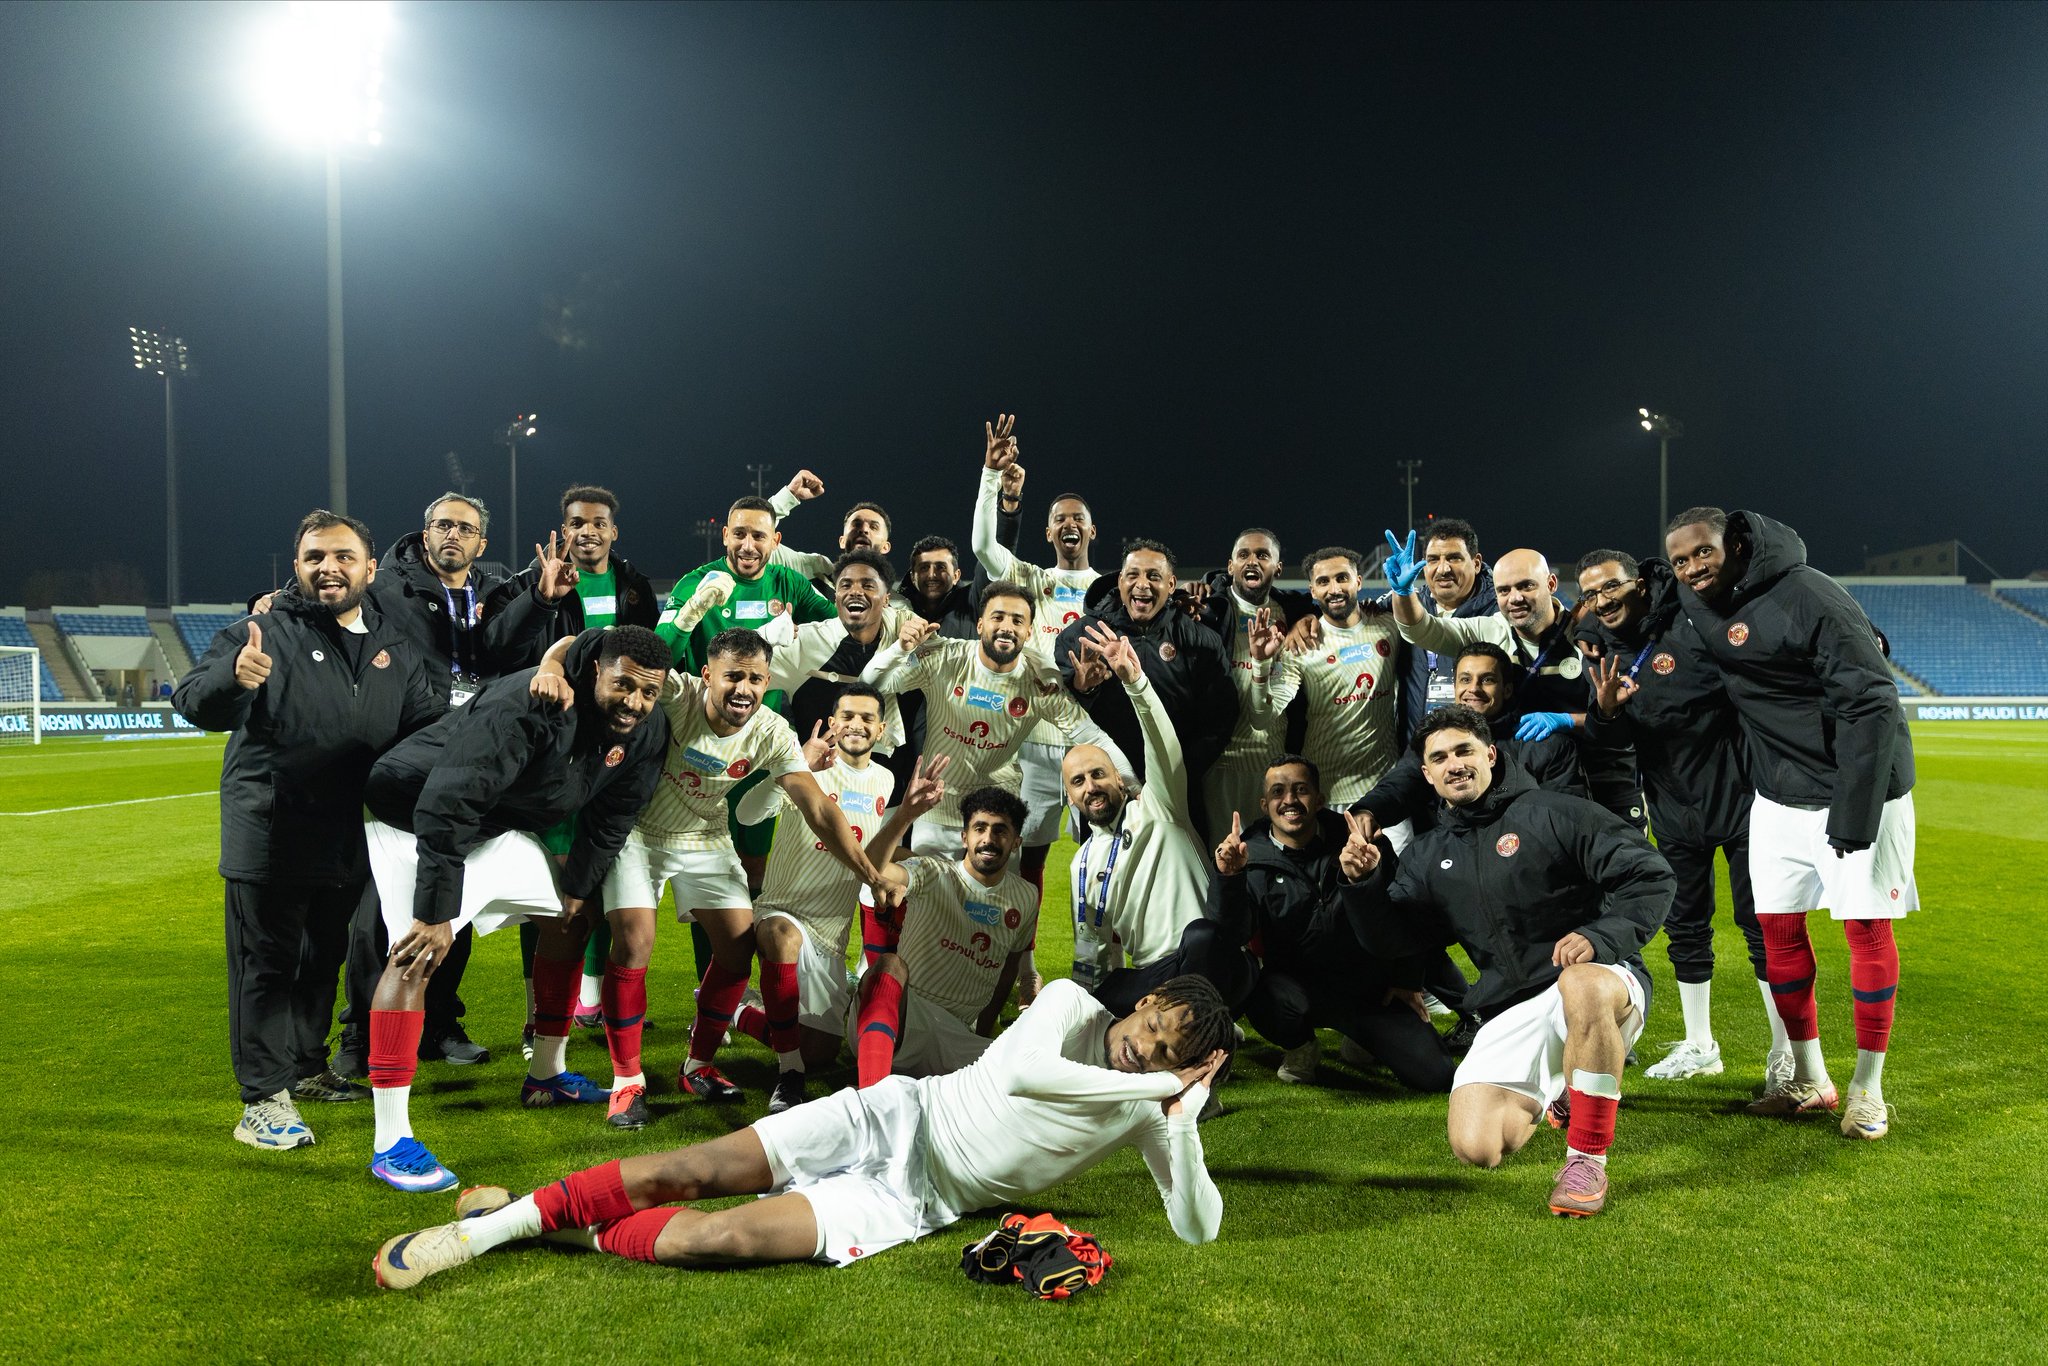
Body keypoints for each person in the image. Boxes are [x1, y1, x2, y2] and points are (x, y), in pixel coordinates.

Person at [372, 975, 1231, 1289]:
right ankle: (480, 1236)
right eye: (1152, 1031)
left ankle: (537, 1216)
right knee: (691, 1170)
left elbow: (1198, 1228)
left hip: (914, 1201)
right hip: (897, 1114)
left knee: (720, 1239)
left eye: (1167, 1057)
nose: (1144, 1053)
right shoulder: (1073, 1004)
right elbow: (1020, 1076)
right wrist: (1163, 1085)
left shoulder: (1147, 1106)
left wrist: (1183, 1123)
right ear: (1148, 1003)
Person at [357, 626, 671, 1193]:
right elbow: (447, 802)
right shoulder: (529, 704)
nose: (635, 702)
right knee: (416, 954)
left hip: (493, 822)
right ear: (595, 671)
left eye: (649, 692)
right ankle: (390, 1142)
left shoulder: (646, 730)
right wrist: (436, 912)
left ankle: (546, 1074)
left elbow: (614, 816)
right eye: (623, 685)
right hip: (415, 813)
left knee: (569, 917)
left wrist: (578, 886)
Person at [174, 511, 444, 1150]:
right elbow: (192, 700)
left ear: (370, 568)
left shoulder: (394, 645)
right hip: (271, 832)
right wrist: (232, 679)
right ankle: (263, 1100)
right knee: (265, 967)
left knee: (323, 958)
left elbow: (425, 726)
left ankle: (304, 1065)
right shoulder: (260, 631)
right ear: (296, 567)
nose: (329, 567)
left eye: (343, 556)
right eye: (315, 557)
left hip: (350, 836)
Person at [1341, 705, 1674, 1218]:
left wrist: (1599, 936)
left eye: (1464, 751)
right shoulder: (1428, 856)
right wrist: (1364, 885)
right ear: (1426, 774)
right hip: (1510, 1005)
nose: (1455, 764)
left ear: (1491, 756)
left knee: (1580, 985)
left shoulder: (1555, 813)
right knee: (1477, 1146)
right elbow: (1396, 942)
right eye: (1440, 758)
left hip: (1601, 982)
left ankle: (1587, 1161)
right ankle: (1569, 1081)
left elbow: (1650, 874)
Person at [563, 627, 885, 1118]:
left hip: (707, 835)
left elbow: (818, 807)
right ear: (707, 675)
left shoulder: (773, 731)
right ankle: (627, 1082)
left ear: (767, 682)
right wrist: (552, 665)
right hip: (641, 831)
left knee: (736, 949)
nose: (744, 689)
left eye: (755, 679)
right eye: (733, 676)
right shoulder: (676, 693)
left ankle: (698, 1066)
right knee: (633, 942)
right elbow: (597, 648)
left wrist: (870, 874)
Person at [1667, 508, 1914, 1139]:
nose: (1692, 568)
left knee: (1865, 933)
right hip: (1777, 794)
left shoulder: (1810, 594)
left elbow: (1873, 702)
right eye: (1679, 560)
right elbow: (1649, 592)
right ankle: (1810, 1079)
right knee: (1776, 933)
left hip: (1854, 793)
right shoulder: (1696, 597)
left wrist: (1853, 815)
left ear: (1736, 544)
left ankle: (1868, 1089)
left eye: (1703, 552)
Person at [315, 493, 573, 1076]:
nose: (453, 534)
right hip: (406, 754)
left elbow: (508, 649)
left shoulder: (501, 590)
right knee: (381, 905)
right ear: (425, 531)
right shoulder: (388, 585)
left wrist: (539, 600)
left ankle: (440, 1024)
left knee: (454, 896)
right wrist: (275, 602)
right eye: (443, 525)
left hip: (477, 754)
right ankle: (358, 1034)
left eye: (465, 528)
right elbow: (330, 592)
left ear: (482, 542)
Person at [1574, 549, 1774, 1083]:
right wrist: (1606, 712)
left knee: (1764, 926)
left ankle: (1788, 1054)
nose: (1602, 601)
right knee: (1685, 927)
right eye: (1591, 594)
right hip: (1672, 805)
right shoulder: (1602, 649)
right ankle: (1700, 1044)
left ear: (1640, 583)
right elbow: (1612, 742)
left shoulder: (1692, 615)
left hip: (1742, 798)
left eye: (1611, 587)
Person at [730, 693, 939, 1109]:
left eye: (867, 718)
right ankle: (789, 1075)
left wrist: (917, 844)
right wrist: (793, 768)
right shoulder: (804, 765)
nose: (857, 724)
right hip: (784, 908)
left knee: (820, 1052)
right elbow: (746, 815)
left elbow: (868, 853)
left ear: (881, 729)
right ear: (832, 722)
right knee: (780, 935)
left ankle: (737, 1010)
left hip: (831, 931)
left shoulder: (884, 780)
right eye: (848, 715)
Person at [1211, 755, 1454, 1093]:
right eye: (1278, 792)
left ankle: (1362, 1039)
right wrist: (1229, 879)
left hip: (1368, 987)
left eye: (1301, 790)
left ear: (1319, 799)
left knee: (1436, 1075)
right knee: (1265, 992)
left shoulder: (1359, 841)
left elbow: (1406, 910)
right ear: (1265, 805)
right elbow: (1231, 936)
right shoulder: (1249, 856)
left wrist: (1406, 979)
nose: (1290, 800)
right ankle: (1300, 1045)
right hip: (1297, 990)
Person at [515, 485, 660, 1040]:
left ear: (613, 531)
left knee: (599, 874)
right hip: (556, 743)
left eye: (598, 522)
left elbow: (651, 657)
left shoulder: (635, 588)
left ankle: (592, 999)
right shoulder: (536, 582)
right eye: (577, 522)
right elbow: (514, 643)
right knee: (544, 890)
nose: (588, 531)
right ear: (564, 528)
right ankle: (536, 1017)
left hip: (614, 748)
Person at [1062, 625, 1257, 1013]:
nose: (1091, 787)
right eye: (1078, 781)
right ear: (1070, 796)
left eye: (1098, 774)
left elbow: (1161, 742)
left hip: (1213, 959)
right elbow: (1092, 948)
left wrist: (1135, 683)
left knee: (1201, 937)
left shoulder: (1160, 805)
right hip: (1157, 975)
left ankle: (1197, 1028)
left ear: (1120, 779)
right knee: (1089, 999)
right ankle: (1183, 1024)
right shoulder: (1081, 864)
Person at [860, 582, 1127, 860]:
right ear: (980, 625)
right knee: (929, 887)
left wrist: (1135, 788)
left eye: (1017, 620)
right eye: (997, 617)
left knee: (995, 889)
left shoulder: (1040, 682)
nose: (1006, 627)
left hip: (998, 813)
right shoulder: (945, 657)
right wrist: (900, 649)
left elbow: (1093, 736)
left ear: (1029, 632)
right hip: (937, 805)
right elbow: (871, 683)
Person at [657, 495, 837, 895]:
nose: (748, 545)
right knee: (697, 862)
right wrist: (691, 612)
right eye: (739, 534)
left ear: (775, 541)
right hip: (697, 739)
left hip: (757, 745)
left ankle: (748, 935)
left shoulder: (788, 583)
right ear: (725, 535)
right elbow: (659, 656)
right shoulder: (695, 582)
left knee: (754, 862)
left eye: (758, 536)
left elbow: (842, 626)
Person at [967, 416, 1101, 912]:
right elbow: (983, 547)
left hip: (1091, 738)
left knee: (1103, 852)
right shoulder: (1030, 578)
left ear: (1091, 529)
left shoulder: (1111, 590)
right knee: (1027, 858)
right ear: (1048, 532)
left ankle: (1099, 950)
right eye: (1060, 519)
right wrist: (990, 476)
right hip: (1034, 740)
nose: (1069, 524)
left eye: (1078, 518)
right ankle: (1021, 953)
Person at [853, 787, 1040, 1085]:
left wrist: (982, 1033)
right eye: (979, 828)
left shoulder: (1026, 897)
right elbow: (869, 869)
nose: (988, 839)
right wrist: (904, 816)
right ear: (964, 837)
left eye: (1000, 830)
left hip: (957, 1034)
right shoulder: (931, 872)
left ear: (1016, 841)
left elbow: (1009, 968)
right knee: (889, 964)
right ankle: (871, 1093)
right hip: (901, 1017)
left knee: (1028, 1073)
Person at [1056, 539, 1238, 822]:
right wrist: (1084, 688)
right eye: (1133, 575)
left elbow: (1220, 717)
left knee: (1181, 852)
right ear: (1120, 581)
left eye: (1154, 576)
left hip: (1177, 786)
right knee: (1107, 853)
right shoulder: (1082, 637)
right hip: (1107, 787)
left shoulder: (1200, 640)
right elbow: (1066, 714)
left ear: (1171, 584)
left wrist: (1179, 771)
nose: (1142, 584)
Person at [1249, 548, 1403, 806]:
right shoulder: (1300, 646)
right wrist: (1260, 664)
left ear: (1358, 581)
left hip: (1386, 788)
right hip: (1326, 795)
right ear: (1312, 591)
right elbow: (1261, 718)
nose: (1334, 589)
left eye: (1342, 578)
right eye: (1323, 582)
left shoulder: (1389, 627)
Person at [1191, 528, 1314, 838]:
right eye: (1243, 554)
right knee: (1220, 855)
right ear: (1230, 566)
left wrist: (1308, 616)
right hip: (1218, 763)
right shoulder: (1207, 610)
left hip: (1270, 762)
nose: (1252, 561)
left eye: (1263, 555)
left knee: (1268, 855)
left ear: (1278, 568)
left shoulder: (1292, 616)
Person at [766, 467, 894, 584]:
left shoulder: (896, 600)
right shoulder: (814, 570)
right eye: (856, 524)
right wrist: (790, 494)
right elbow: (759, 542)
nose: (864, 529)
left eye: (874, 527)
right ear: (842, 541)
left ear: (885, 547)